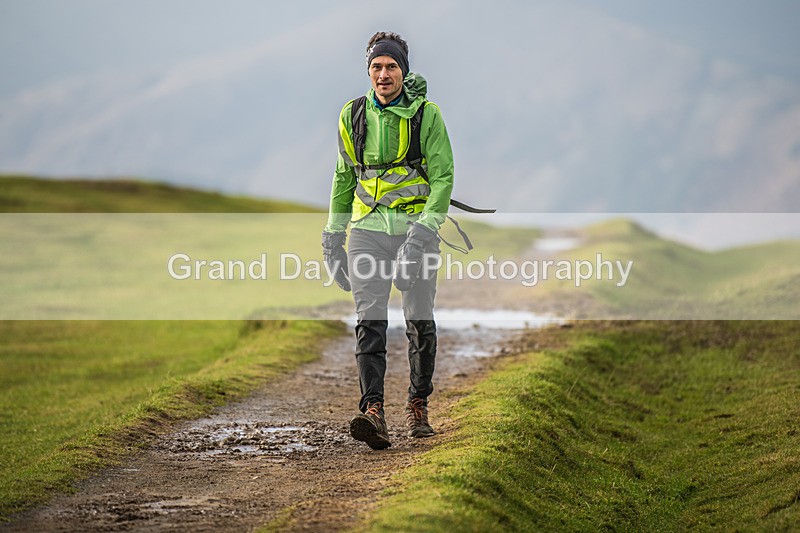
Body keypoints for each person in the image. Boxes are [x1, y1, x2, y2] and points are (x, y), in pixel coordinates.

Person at [321, 31, 454, 450]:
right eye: (377, 66)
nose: (383, 74)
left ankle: (418, 405)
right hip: (366, 233)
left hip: (417, 232)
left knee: (419, 318)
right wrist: (332, 236)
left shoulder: (426, 115)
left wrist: (423, 234)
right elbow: (344, 177)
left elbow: (443, 178)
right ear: (368, 70)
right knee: (369, 318)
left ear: (403, 70)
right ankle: (373, 412)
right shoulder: (352, 115)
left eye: (391, 66)